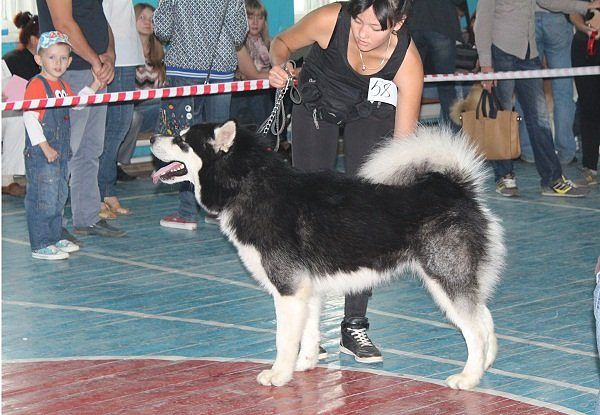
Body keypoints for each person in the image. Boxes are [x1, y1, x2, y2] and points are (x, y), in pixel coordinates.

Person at [269, 0, 423, 363]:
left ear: (397, 24)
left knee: (368, 213)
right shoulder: (329, 20)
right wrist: (280, 67)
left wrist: (390, 196)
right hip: (317, 105)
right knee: (307, 212)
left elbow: (403, 147)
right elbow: (281, 42)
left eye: (375, 27)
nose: (363, 34)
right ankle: (307, 324)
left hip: (371, 112)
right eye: (358, 22)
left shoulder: (408, 63)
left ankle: (355, 323)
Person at [474, 0, 599, 198]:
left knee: (539, 118)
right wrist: (486, 65)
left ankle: (553, 180)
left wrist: (586, 7)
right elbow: (482, 21)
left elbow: (551, 1)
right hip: (501, 53)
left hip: (530, 54)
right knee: (501, 118)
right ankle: (504, 175)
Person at [153, 0, 248, 230]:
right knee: (217, 145)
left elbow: (162, 30)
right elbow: (238, 34)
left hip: (183, 72)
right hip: (221, 73)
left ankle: (187, 213)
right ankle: (216, 207)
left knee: (183, 143)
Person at [38, 0, 126, 237]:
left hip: (94, 71)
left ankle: (87, 218)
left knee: (90, 149)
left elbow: (99, 18)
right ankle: (50, 227)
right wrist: (96, 61)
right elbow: (63, 23)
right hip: (67, 72)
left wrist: (110, 55)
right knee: (60, 152)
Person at [22, 31, 102, 260]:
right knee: (43, 199)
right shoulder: (37, 85)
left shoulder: (62, 85)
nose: (58, 63)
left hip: (60, 153)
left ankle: (55, 237)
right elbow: (30, 118)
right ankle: (41, 243)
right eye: (51, 57)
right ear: (39, 59)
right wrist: (44, 147)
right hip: (42, 153)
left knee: (58, 197)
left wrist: (95, 85)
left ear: (69, 61)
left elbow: (76, 105)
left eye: (63, 58)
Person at [97, 0, 145, 220]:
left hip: (126, 54)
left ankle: (107, 190)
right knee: (100, 129)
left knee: (120, 125)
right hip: (103, 53)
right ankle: (99, 193)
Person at [517, 8, 578, 165]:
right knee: (563, 92)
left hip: (527, 18)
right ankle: (566, 152)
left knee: (526, 90)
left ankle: (528, 150)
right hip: (558, 16)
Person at [117, 2, 166, 178]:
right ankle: (118, 163)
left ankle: (165, 158)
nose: (147, 22)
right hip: (134, 108)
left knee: (169, 106)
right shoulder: (125, 53)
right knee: (135, 115)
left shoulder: (160, 55)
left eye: (152, 19)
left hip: (156, 109)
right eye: (142, 18)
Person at [407, 0, 462, 131]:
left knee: (408, 84)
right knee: (447, 86)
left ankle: (404, 133)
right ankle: (454, 134)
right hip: (442, 22)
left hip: (413, 21)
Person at [2, 11, 40, 197]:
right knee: (17, 120)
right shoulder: (17, 61)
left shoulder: (40, 62)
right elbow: (11, 99)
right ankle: (6, 179)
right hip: (6, 111)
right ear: (34, 39)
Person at [230, 0, 272, 129]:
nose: (255, 22)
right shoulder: (238, 44)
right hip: (242, 100)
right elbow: (254, 75)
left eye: (259, 17)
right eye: (250, 17)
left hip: (264, 96)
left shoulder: (268, 44)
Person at [570, 8, 600, 187]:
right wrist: (585, 28)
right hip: (584, 45)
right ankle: (590, 166)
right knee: (588, 108)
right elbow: (573, 11)